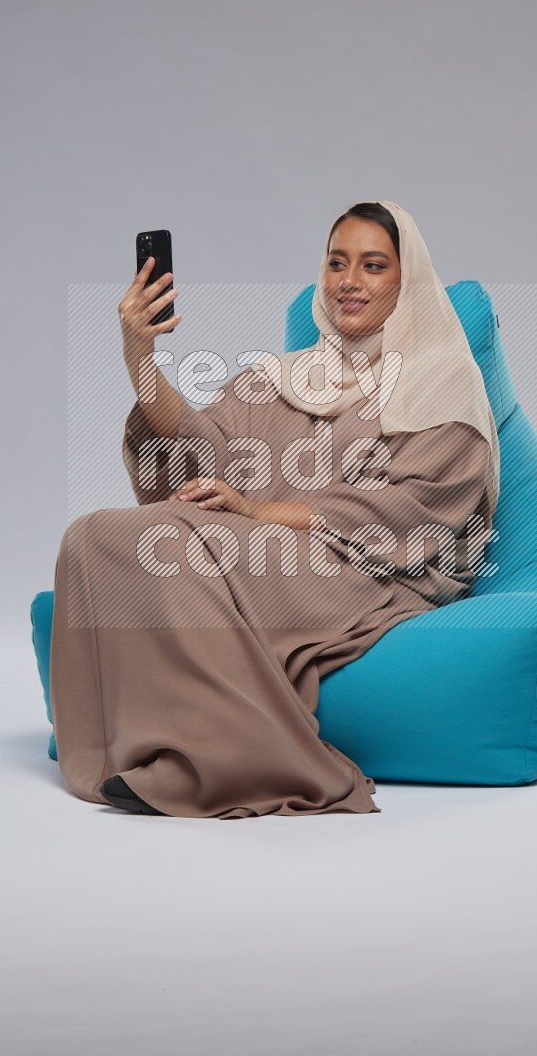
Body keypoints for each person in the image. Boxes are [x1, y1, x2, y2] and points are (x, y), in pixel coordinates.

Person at [49, 199, 500, 818]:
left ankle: (233, 762)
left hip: (372, 569)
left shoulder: (440, 378)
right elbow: (198, 459)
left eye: (373, 265)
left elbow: (419, 510)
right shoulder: (282, 377)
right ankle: (133, 749)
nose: (349, 281)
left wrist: (260, 512)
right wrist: (140, 362)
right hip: (268, 550)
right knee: (94, 536)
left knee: (184, 550)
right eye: (337, 263)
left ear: (408, 279)